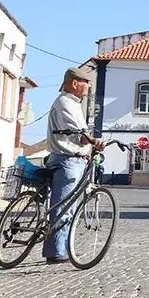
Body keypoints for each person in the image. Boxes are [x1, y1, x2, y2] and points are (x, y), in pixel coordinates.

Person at [43, 67, 104, 264]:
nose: (89, 86)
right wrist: (93, 141)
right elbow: (79, 134)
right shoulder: (65, 103)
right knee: (63, 206)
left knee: (67, 205)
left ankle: (60, 248)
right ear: (75, 83)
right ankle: (56, 251)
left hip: (74, 159)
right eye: (86, 82)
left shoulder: (73, 103)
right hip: (67, 160)